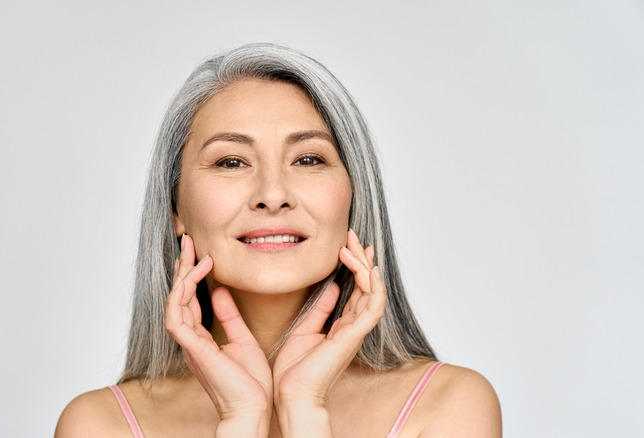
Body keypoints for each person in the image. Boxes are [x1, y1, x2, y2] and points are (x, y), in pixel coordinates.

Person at [55, 43, 501, 437]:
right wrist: (240, 418)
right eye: (231, 162)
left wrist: (303, 410)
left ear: (353, 193)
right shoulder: (100, 425)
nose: (272, 195)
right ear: (175, 207)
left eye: (308, 158)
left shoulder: (447, 405)